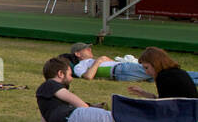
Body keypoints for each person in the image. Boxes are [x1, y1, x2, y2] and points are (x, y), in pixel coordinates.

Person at [37, 57, 114, 122]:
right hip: (75, 118)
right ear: (60, 74)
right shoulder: (50, 84)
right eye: (70, 75)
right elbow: (79, 103)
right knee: (120, 120)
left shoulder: (45, 97)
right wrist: (92, 110)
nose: (72, 78)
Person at [70, 41, 198, 86]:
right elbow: (88, 77)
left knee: (164, 78)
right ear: (78, 54)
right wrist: (99, 61)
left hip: (122, 72)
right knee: (166, 73)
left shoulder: (92, 61)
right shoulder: (80, 66)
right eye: (86, 49)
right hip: (121, 71)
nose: (90, 50)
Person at [126, 47, 198, 100]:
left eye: (146, 68)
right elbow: (164, 100)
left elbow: (163, 105)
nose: (146, 72)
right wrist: (144, 94)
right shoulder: (178, 72)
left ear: (155, 64)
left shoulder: (163, 76)